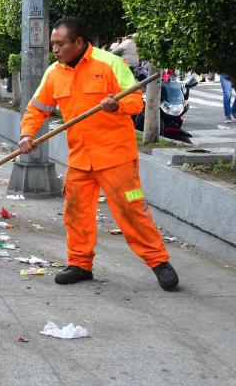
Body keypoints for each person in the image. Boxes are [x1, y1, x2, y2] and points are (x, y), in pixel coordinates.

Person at [18, 17, 178, 291]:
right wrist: (27, 134)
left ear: (79, 42)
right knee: (76, 212)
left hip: (116, 156)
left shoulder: (109, 64)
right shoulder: (54, 73)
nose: (55, 50)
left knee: (131, 211)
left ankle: (159, 262)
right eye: (52, 44)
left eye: (60, 43)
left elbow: (135, 102)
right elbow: (37, 108)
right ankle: (80, 264)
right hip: (80, 157)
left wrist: (116, 105)